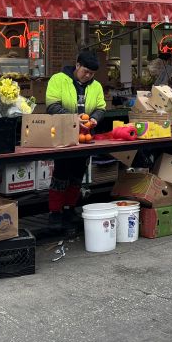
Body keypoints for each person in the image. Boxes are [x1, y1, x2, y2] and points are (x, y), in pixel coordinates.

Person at [45, 50, 106, 233]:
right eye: (85, 71)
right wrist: (72, 118)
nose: (88, 76)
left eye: (92, 74)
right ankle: (54, 212)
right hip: (63, 135)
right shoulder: (58, 79)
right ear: (77, 65)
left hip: (85, 137)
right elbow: (52, 105)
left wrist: (94, 118)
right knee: (61, 173)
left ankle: (70, 209)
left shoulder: (96, 86)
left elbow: (101, 107)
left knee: (77, 174)